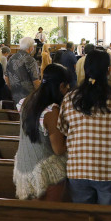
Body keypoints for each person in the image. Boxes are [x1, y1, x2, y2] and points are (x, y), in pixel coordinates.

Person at [59, 50, 111, 205]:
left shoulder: (70, 98)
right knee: (108, 219)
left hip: (78, 169)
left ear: (85, 68)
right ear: (109, 70)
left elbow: (63, 130)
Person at [14, 64, 71, 201]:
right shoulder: (51, 112)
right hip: (45, 171)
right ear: (61, 86)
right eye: (67, 87)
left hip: (24, 167)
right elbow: (58, 149)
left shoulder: (26, 101)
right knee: (50, 215)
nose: (68, 90)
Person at [6, 37, 41, 106]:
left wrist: (13, 89)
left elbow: (6, 77)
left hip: (15, 95)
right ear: (30, 47)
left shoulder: (11, 58)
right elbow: (35, 81)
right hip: (29, 97)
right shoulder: (30, 60)